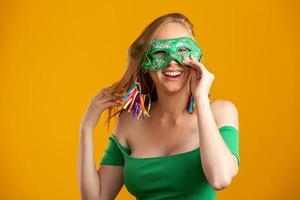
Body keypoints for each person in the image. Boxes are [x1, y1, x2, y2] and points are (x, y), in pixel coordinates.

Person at [78, 12, 240, 200]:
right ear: (145, 65)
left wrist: (201, 98)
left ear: (196, 59)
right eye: (160, 52)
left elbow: (220, 178)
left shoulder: (220, 113)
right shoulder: (130, 122)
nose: (172, 61)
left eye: (182, 51)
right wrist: (86, 129)